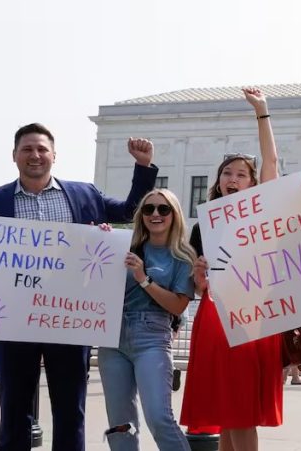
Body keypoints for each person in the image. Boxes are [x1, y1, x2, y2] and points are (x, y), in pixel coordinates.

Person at [0, 123, 158, 450]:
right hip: (13, 324)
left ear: (54, 155)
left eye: (42, 149)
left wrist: (142, 167)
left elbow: (131, 211)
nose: (35, 155)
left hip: (69, 321)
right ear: (14, 155)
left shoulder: (86, 194)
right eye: (27, 149)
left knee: (71, 411)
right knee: (14, 411)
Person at [180, 88, 284, 451]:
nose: (233, 178)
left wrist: (262, 112)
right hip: (214, 315)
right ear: (218, 180)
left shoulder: (261, 212)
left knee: (240, 409)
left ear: (253, 184)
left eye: (242, 174)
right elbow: (198, 286)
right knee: (226, 410)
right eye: (227, 173)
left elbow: (271, 162)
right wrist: (199, 276)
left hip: (251, 316)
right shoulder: (204, 224)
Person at [100, 189, 197, 450]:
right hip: (112, 335)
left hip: (152, 335)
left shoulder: (182, 257)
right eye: (148, 208)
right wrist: (102, 239)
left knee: (159, 417)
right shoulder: (124, 247)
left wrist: (144, 279)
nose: (155, 214)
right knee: (120, 424)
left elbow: (178, 305)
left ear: (174, 215)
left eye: (163, 209)